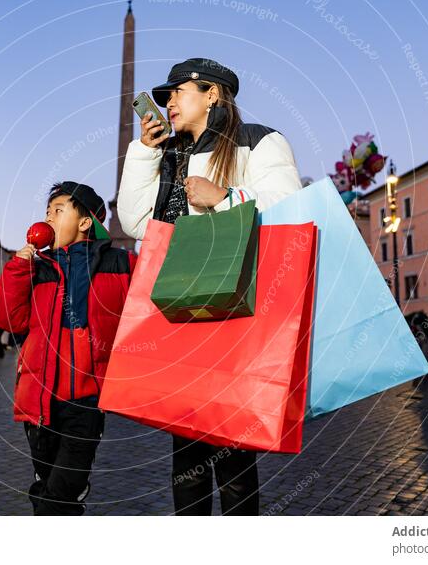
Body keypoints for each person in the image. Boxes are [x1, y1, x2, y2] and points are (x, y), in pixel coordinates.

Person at [117, 58, 302, 516]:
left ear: (213, 94)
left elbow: (289, 210)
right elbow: (136, 221)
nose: (169, 102)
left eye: (178, 91)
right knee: (187, 456)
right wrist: (145, 153)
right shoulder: (171, 153)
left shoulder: (258, 141)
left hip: (236, 308)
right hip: (181, 306)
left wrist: (225, 198)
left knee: (235, 453)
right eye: (166, 96)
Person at [0, 181, 135, 515]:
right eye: (46, 212)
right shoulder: (36, 268)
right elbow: (8, 320)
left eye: (58, 210)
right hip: (39, 400)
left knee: (56, 497)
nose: (49, 218)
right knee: (45, 485)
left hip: (87, 401)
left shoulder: (120, 263)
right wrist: (17, 269)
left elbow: (149, 307)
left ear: (85, 223)